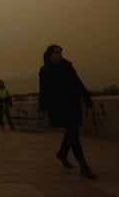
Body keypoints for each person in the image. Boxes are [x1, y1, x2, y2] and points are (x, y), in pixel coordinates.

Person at [39, 44, 96, 179]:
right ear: (50, 55)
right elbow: (43, 90)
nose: (60, 54)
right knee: (73, 133)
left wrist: (87, 99)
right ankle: (83, 164)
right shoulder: (45, 70)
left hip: (72, 104)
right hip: (58, 106)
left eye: (60, 52)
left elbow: (78, 83)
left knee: (72, 132)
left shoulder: (68, 67)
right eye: (57, 52)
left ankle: (63, 153)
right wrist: (43, 108)